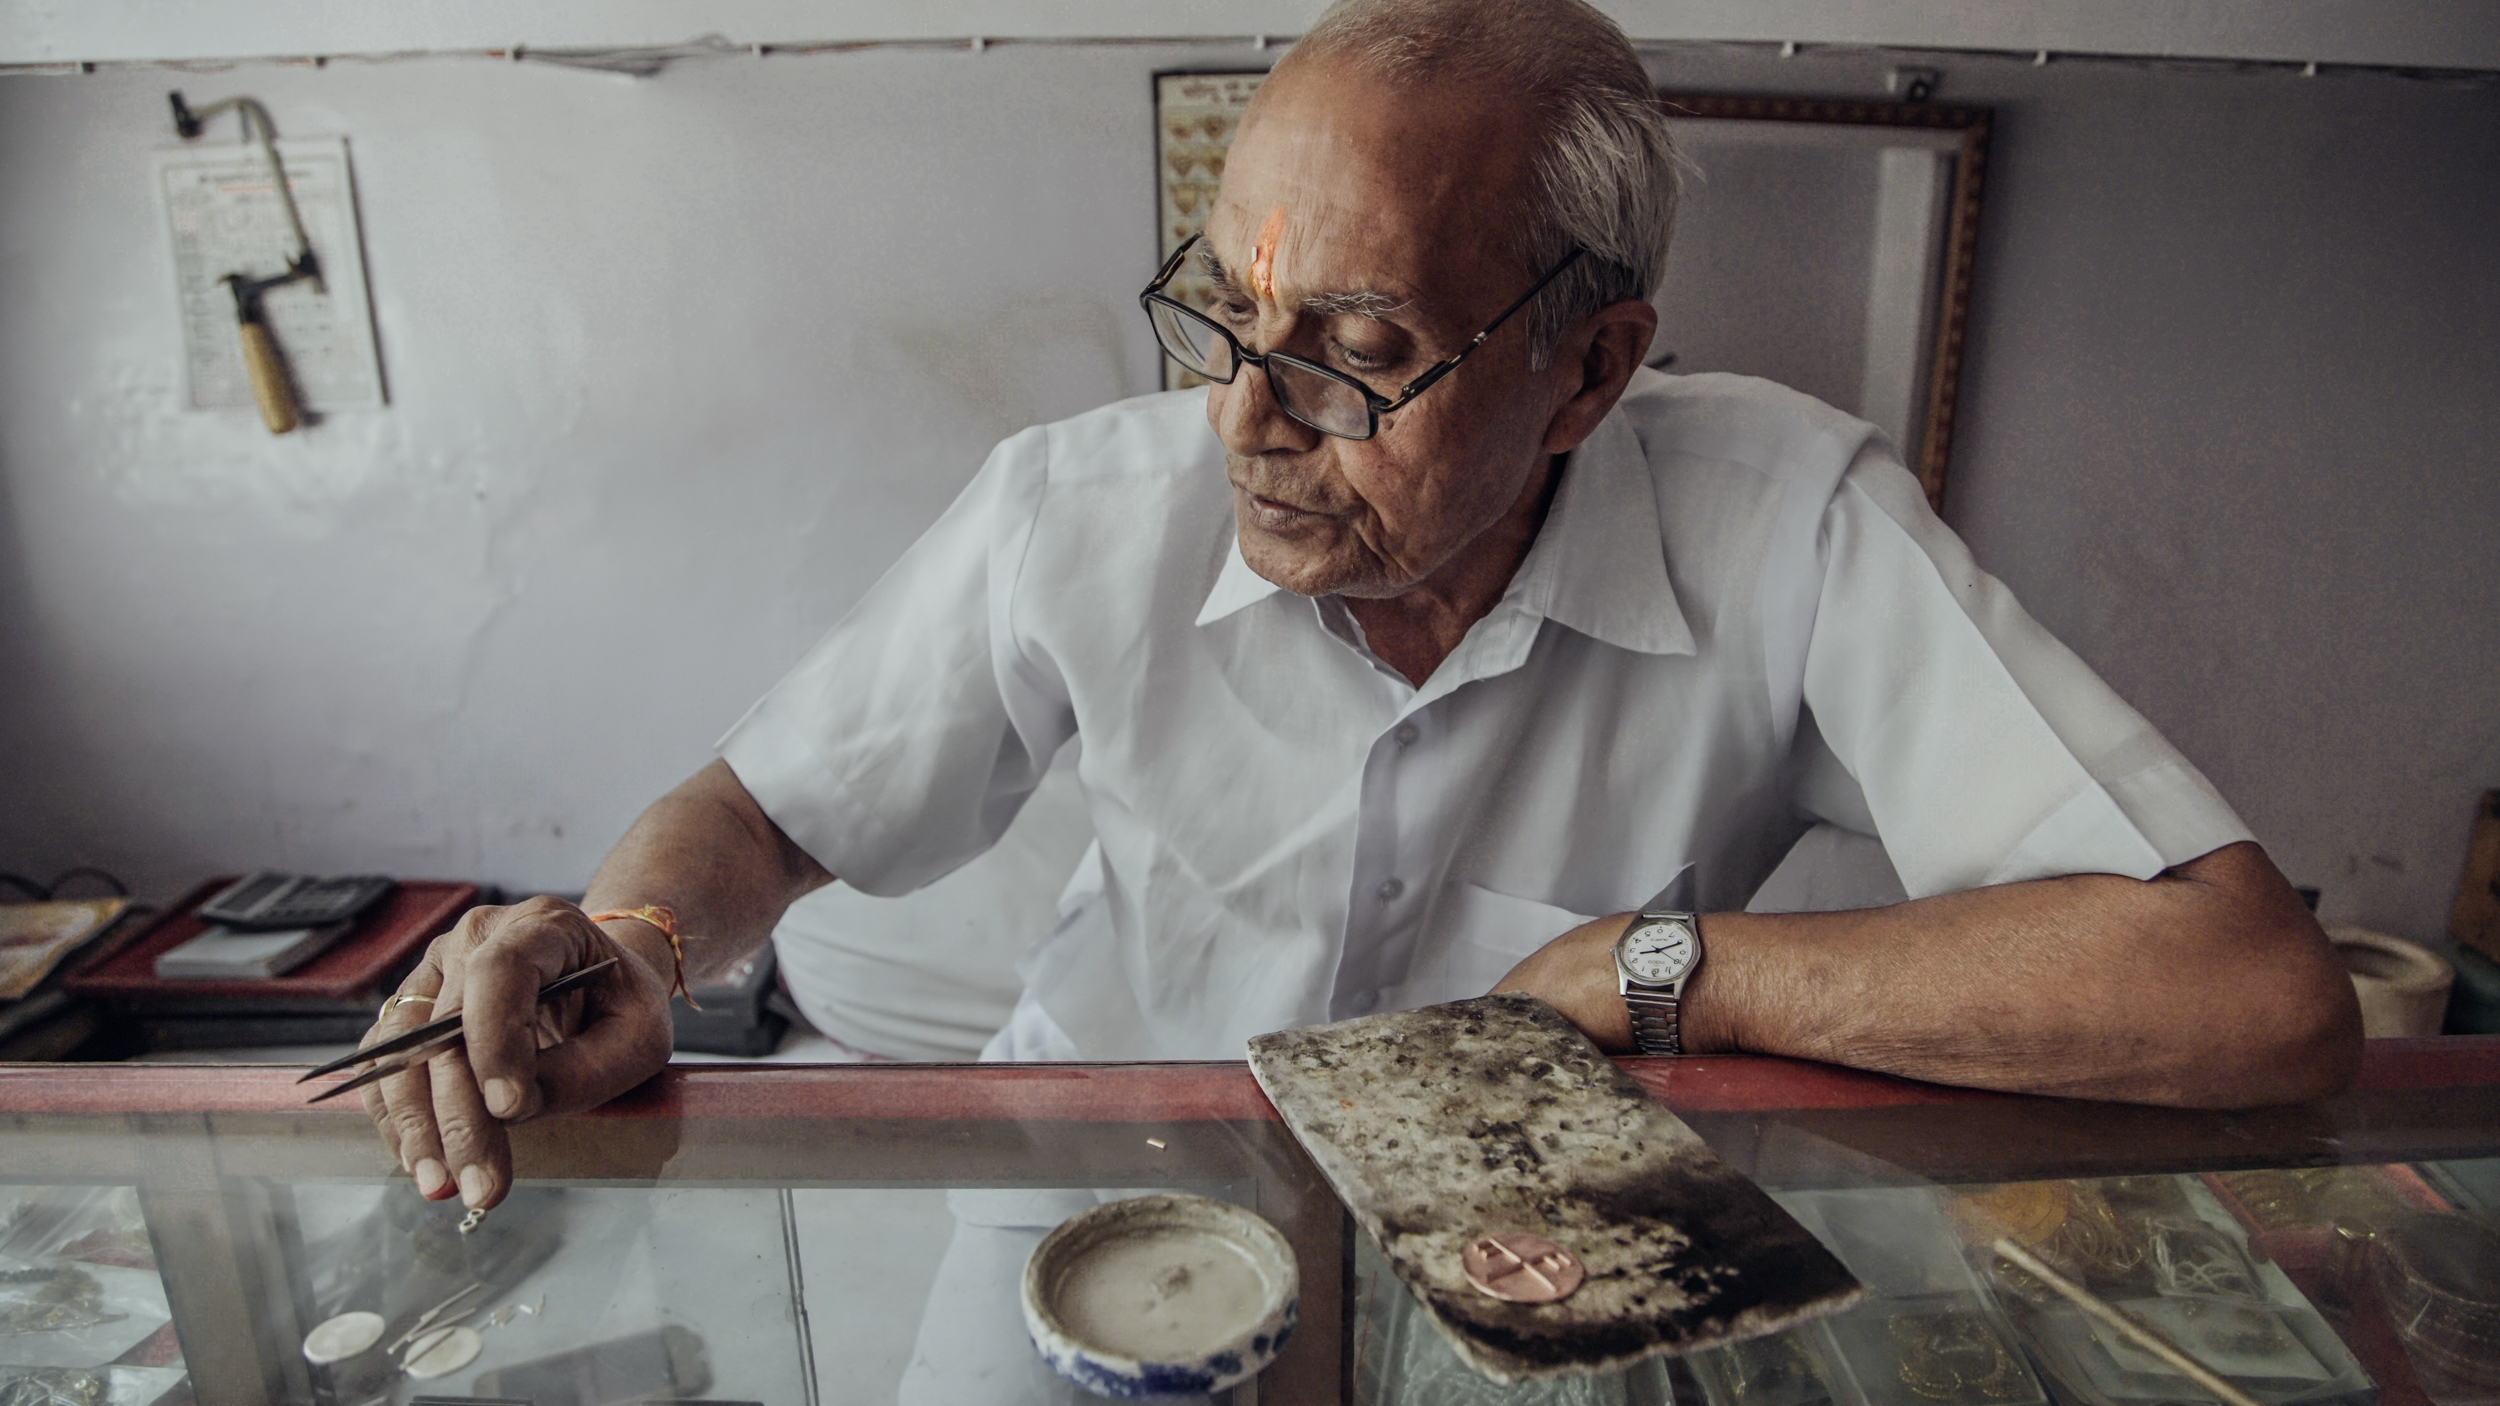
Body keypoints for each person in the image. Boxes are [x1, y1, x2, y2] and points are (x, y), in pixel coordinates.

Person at [360, 0, 2360, 1221]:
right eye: (1228, 309)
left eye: (1356, 342)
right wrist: (629, 931)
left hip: (1524, 1240)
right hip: (1083, 1197)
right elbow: (777, 810)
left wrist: (1652, 972)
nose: (1244, 411)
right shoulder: (1082, 502)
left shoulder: (1785, 521)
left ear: (1588, 373)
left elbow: (2252, 996)